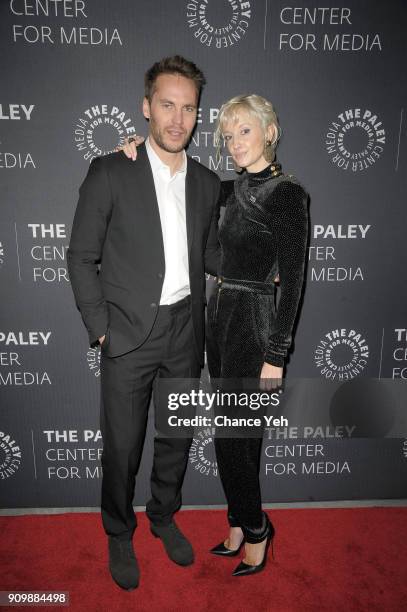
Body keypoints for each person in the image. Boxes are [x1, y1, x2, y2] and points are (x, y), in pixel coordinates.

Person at [120, 93, 308, 577]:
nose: (234, 142)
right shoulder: (227, 190)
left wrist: (277, 353)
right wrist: (139, 155)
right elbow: (181, 184)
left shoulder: (288, 195)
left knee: (235, 439)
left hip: (254, 324)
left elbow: (294, 281)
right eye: (227, 135)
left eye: (244, 130)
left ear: (269, 130)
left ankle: (258, 529)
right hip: (220, 323)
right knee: (234, 437)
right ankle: (239, 524)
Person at [67, 55, 221, 591]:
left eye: (188, 108)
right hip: (129, 333)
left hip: (186, 330)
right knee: (123, 445)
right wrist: (102, 328)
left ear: (198, 115)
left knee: (176, 438)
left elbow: (213, 255)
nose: (177, 119)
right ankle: (118, 529)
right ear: (146, 108)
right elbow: (80, 255)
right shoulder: (112, 169)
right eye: (166, 105)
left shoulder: (207, 181)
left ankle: (162, 515)